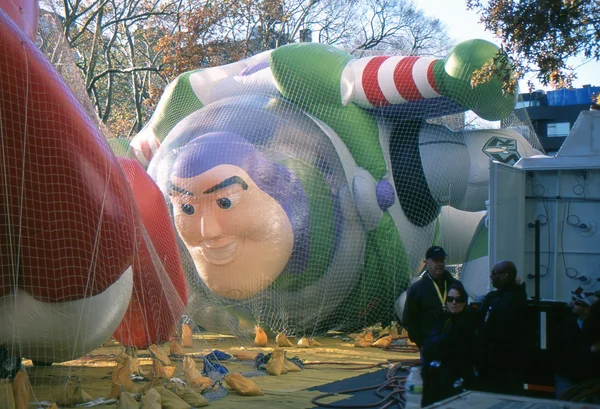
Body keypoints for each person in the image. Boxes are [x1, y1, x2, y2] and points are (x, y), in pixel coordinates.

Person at [475, 260, 528, 395]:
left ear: (505, 275)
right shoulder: (493, 297)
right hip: (489, 360)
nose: (491, 276)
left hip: (505, 361)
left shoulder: (515, 298)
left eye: (494, 273)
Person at [421, 284, 477, 407]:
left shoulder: (467, 321)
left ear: (464, 302)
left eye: (458, 299)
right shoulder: (444, 318)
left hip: (455, 375)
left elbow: (455, 349)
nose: (454, 303)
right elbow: (429, 344)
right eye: (450, 299)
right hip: (438, 372)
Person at [402, 246, 464, 352]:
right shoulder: (417, 289)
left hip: (454, 345)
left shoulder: (456, 285)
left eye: (442, 260)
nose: (439, 264)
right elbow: (409, 319)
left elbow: (465, 311)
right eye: (436, 261)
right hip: (429, 345)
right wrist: (420, 343)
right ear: (427, 262)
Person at [553, 292, 600, 399]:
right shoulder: (567, 324)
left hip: (587, 376)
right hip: (568, 374)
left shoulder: (594, 327)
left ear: (588, 308)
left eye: (578, 303)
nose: (574, 304)